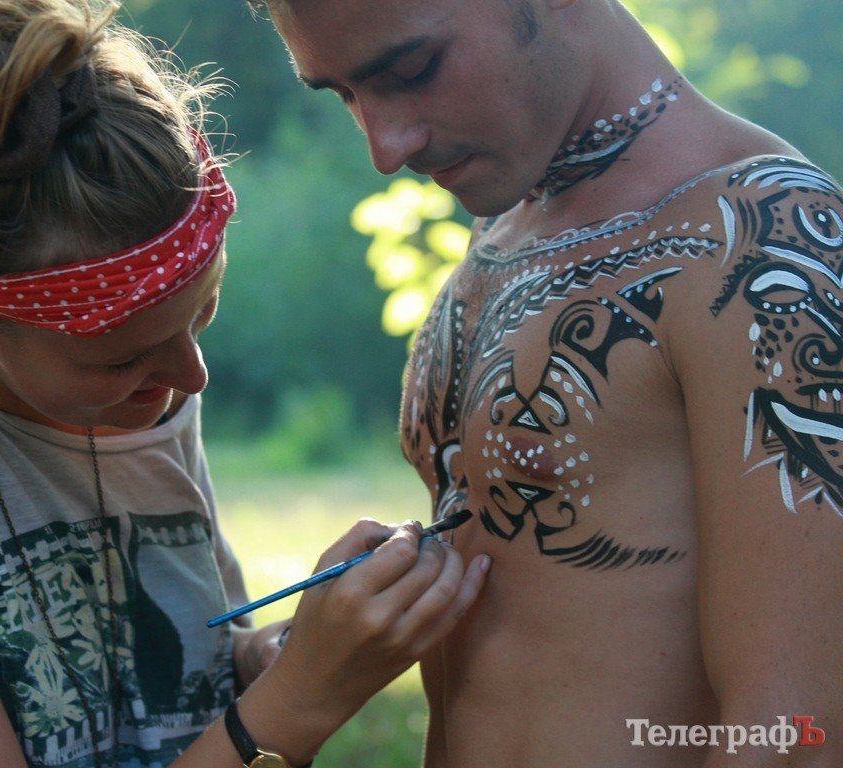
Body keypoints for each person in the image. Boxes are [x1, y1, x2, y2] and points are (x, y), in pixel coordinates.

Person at [0, 1, 492, 766]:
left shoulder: (139, 393)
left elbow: (168, 679)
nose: (188, 379)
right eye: (120, 359)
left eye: (199, 318)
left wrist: (268, 655)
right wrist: (301, 699)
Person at [245, 0, 843, 765]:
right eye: (343, 95)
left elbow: (795, 738)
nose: (386, 147)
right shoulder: (503, 228)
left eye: (410, 69)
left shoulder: (763, 242)